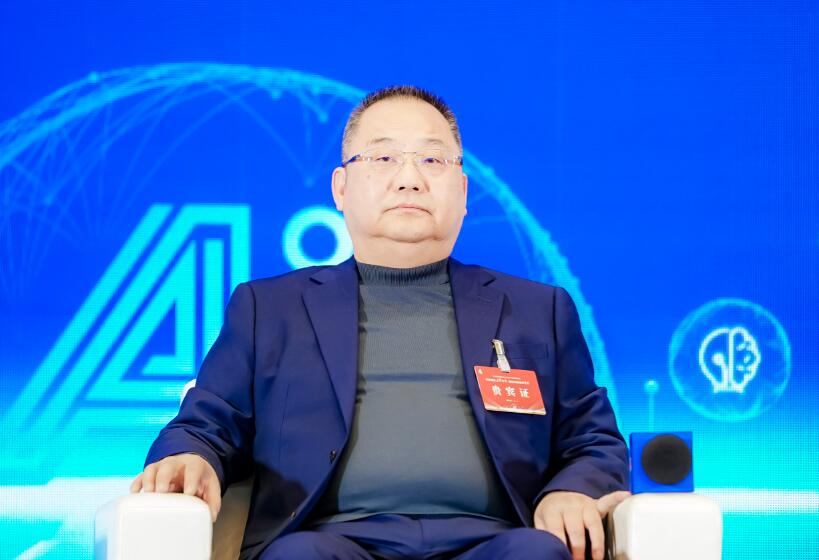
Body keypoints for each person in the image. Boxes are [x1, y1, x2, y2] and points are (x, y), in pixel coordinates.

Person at [131, 85, 630, 560]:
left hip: (495, 541)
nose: (409, 178)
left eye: (432, 160)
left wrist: (573, 488)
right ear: (341, 188)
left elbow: (593, 440)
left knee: (538, 553)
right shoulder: (268, 308)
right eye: (383, 158)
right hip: (328, 540)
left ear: (462, 191)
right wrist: (190, 455)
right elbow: (207, 423)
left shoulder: (537, 310)